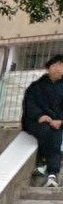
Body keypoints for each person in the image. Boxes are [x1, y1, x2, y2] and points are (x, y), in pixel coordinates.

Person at [21, 53, 63, 187]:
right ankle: (50, 169)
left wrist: (61, 121)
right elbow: (29, 104)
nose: (58, 68)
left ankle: (50, 170)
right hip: (37, 122)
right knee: (47, 130)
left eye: (62, 66)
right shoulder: (36, 87)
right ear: (48, 67)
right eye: (55, 64)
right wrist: (40, 116)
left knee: (56, 133)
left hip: (59, 123)